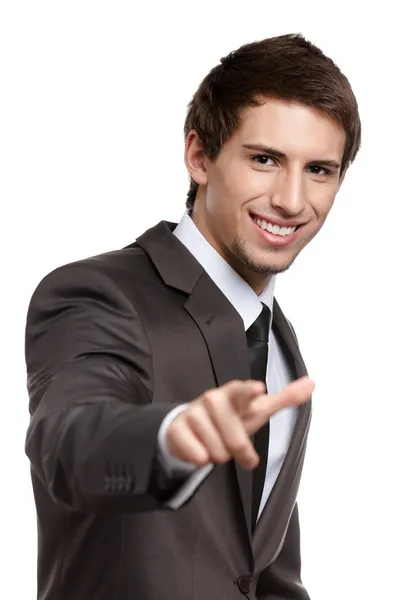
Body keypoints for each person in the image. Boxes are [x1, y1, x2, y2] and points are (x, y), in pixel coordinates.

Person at [24, 32, 361, 599]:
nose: (291, 199)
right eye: (264, 159)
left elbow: (259, 566)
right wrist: (171, 438)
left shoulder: (277, 341)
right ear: (199, 156)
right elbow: (69, 444)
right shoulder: (98, 293)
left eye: (320, 170)